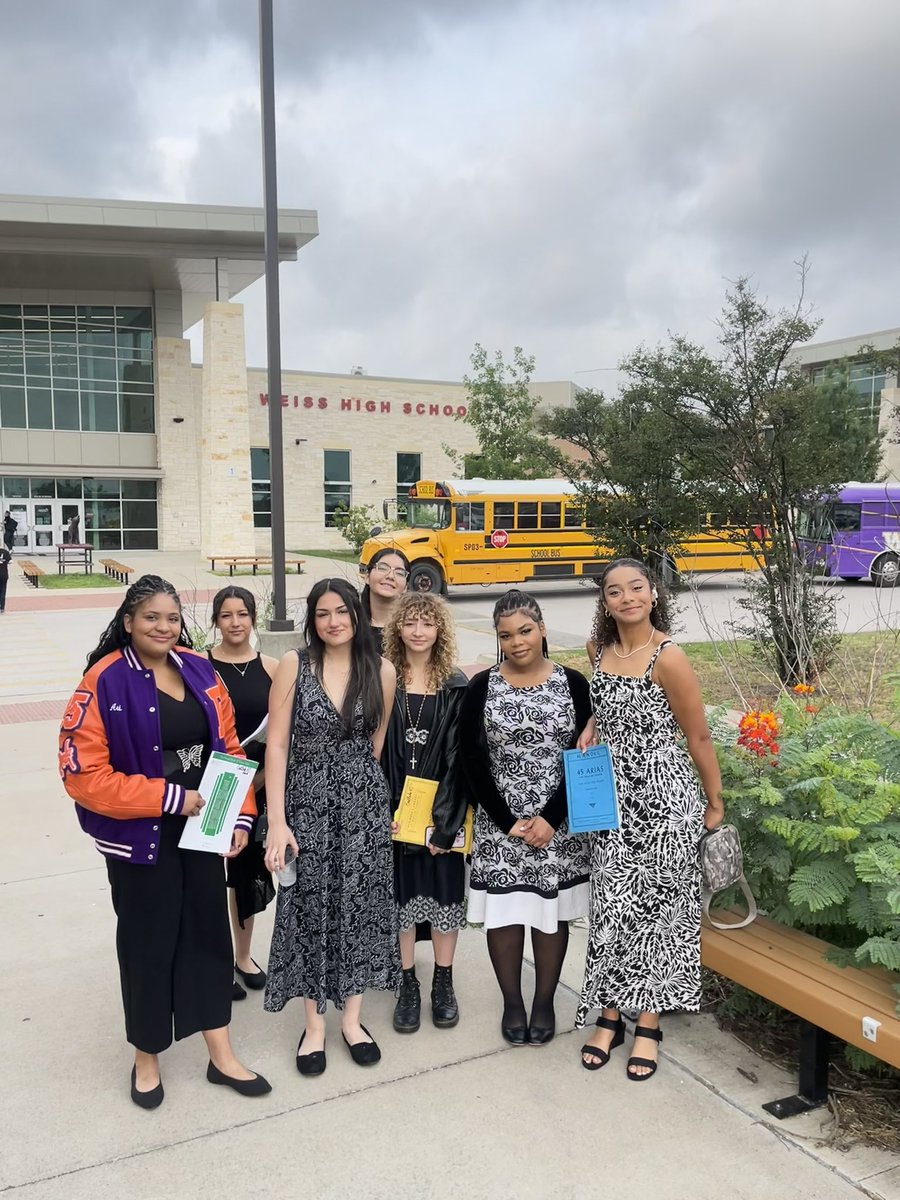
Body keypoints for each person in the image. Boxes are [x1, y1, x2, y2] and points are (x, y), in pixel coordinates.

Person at [58, 575, 271, 1109]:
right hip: (142, 840)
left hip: (202, 833)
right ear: (128, 622)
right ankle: (147, 1057)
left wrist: (239, 817)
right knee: (148, 944)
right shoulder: (102, 681)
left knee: (208, 939)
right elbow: (81, 774)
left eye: (172, 618)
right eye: (151, 617)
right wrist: (168, 798)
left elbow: (228, 749)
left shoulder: (198, 669)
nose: (163, 627)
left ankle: (220, 1053)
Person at [576, 558, 724, 1081]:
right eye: (615, 592)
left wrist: (715, 799)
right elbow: (610, 702)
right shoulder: (599, 651)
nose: (627, 598)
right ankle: (609, 1015)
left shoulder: (670, 656)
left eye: (636, 588)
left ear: (653, 594)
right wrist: (593, 725)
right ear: (606, 602)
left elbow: (698, 735)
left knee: (661, 916)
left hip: (666, 802)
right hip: (611, 803)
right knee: (613, 909)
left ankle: (649, 1023)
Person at [263, 577, 399, 1076]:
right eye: (323, 613)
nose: (334, 621)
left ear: (357, 614)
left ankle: (353, 1020)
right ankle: (315, 1024)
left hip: (363, 803)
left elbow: (376, 743)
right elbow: (277, 746)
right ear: (312, 620)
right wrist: (277, 822)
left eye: (342, 611)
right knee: (310, 907)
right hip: (306, 802)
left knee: (360, 906)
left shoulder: (381, 670)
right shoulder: (295, 666)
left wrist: (363, 795)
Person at [458, 589, 592, 1046]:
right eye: (506, 635)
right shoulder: (482, 686)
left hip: (559, 824)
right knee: (506, 915)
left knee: (549, 915)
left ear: (543, 630)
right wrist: (506, 819)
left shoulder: (575, 684)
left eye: (525, 631)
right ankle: (513, 1002)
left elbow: (586, 756)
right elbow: (472, 760)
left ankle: (544, 1002)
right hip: (501, 825)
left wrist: (552, 818)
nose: (517, 643)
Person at [381, 592, 468, 1033]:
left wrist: (446, 822)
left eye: (427, 624)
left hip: (441, 814)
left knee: (443, 897)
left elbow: (461, 758)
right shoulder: (384, 679)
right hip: (396, 811)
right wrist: (382, 810)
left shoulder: (455, 685)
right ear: (398, 628)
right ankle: (407, 983)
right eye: (410, 623)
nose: (418, 632)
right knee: (401, 898)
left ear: (440, 631)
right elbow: (373, 749)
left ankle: (443, 981)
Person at [207, 586, 278, 1002]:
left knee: (245, 876)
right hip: (210, 791)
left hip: (258, 788)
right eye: (227, 614)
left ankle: (243, 956)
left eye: (243, 614)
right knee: (205, 879)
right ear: (216, 620)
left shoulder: (271, 667)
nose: (236, 622)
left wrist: (257, 783)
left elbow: (281, 735)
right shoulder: (199, 667)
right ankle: (214, 962)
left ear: (254, 618)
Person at [361, 546, 411, 653]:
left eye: (399, 573)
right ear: (367, 576)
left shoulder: (412, 631)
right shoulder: (352, 626)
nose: (391, 576)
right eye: (383, 568)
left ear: (405, 587)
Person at [0, 543, 10, 613]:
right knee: (3, 591)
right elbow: (11, 561)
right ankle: (2, 607)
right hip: (4, 575)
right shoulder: (5, 552)